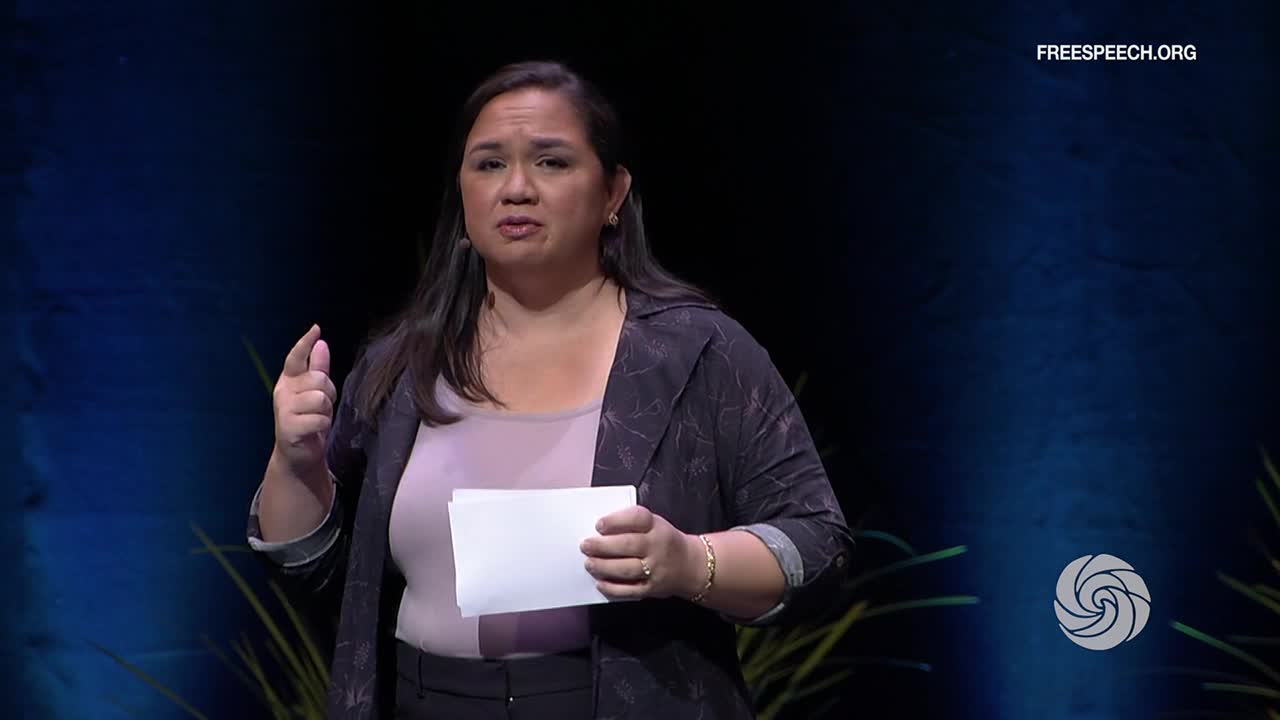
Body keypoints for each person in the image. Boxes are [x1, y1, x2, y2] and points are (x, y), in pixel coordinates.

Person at [246, 59, 855, 720]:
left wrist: (687, 561)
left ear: (613, 193)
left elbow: (818, 549)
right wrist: (295, 462)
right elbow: (314, 570)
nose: (516, 189)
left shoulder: (699, 353)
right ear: (461, 193)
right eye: (488, 164)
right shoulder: (406, 363)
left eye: (551, 162)